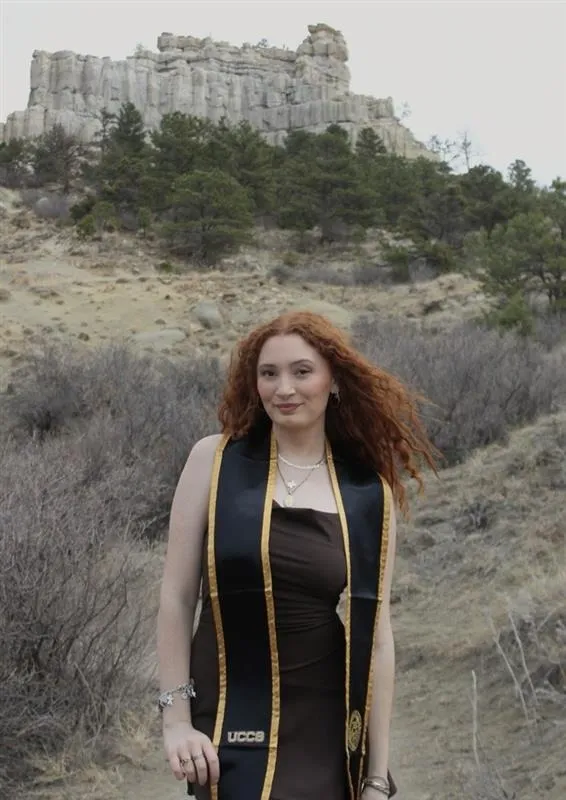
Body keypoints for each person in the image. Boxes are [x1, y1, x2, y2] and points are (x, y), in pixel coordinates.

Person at [156, 310, 438, 800]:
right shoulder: (214, 461)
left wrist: (375, 775)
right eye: (269, 374)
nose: (283, 388)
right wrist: (176, 722)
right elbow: (177, 598)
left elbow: (377, 636)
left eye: (301, 372)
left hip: (325, 721)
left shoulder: (367, 493)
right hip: (229, 709)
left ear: (333, 381)